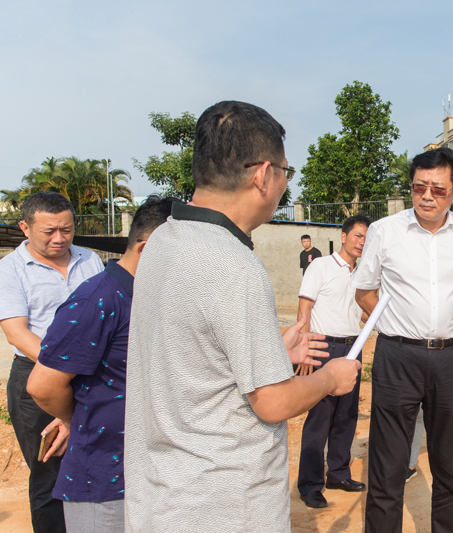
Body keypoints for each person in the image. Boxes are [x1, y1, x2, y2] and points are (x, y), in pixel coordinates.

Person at [123, 101, 361, 533]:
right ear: (263, 175)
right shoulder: (235, 265)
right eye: (286, 172)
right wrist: (331, 378)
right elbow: (271, 402)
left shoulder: (161, 241)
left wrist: (272, 351)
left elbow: (194, 356)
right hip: (224, 505)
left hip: (161, 497)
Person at [354, 147, 453, 533]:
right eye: (419, 188)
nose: (427, 197)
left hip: (452, 359)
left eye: (437, 188)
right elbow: (364, 291)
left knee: (450, 466)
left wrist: (444, 319)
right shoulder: (386, 231)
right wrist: (401, 322)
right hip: (396, 356)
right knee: (387, 466)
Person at [25, 196, 178, 532]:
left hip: (147, 473)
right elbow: (43, 385)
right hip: (104, 482)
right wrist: (77, 417)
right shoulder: (99, 298)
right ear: (147, 249)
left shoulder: (147, 296)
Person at [0, 192, 104, 533]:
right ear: (26, 228)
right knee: (51, 472)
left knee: (97, 464)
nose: (60, 238)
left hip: (92, 375)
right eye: (49, 231)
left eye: (67, 230)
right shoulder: (8, 270)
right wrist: (63, 372)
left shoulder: (90, 260)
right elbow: (17, 334)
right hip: (37, 379)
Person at [296, 215, 371, 509]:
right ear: (343, 236)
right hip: (324, 348)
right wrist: (305, 349)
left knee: (347, 415)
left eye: (366, 238)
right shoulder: (320, 266)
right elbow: (305, 308)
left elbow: (363, 312)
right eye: (358, 236)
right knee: (320, 417)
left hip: (354, 347)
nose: (362, 243)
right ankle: (310, 484)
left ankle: (338, 473)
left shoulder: (364, 274)